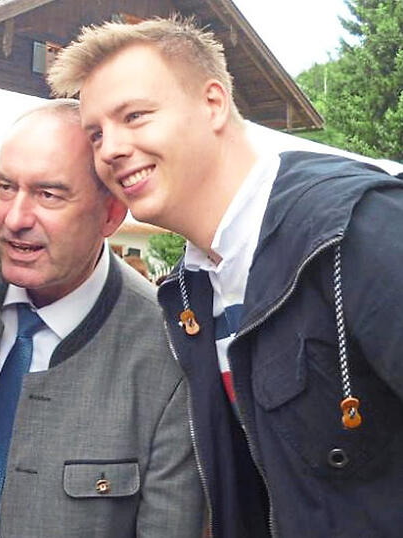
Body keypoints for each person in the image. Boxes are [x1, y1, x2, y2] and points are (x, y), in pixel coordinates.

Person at [49, 17, 403, 537]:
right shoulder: (189, 294)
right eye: (96, 133)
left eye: (136, 116)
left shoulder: (358, 228)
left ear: (213, 103)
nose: (111, 149)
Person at [0, 100, 203, 538]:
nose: (16, 219)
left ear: (110, 214)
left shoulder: (166, 355)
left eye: (48, 194)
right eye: (5, 187)